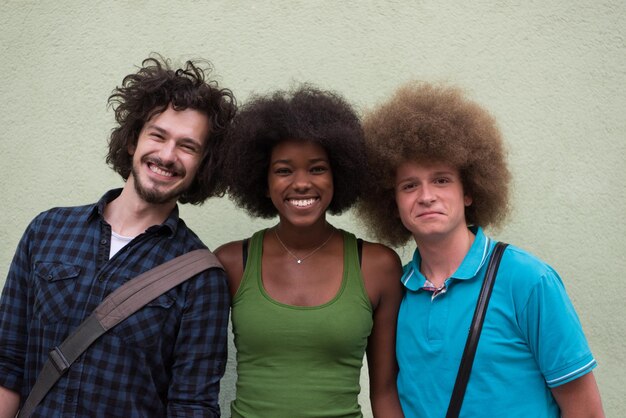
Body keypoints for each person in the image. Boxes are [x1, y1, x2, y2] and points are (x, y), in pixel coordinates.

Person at [0, 56, 236, 417]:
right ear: (132, 141)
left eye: (187, 146)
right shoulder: (46, 231)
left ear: (203, 165)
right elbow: (7, 364)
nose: (167, 155)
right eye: (158, 135)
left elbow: (192, 406)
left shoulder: (202, 278)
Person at [356, 82, 604, 417]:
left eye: (441, 180)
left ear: (469, 191)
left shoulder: (528, 281)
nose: (426, 196)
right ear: (393, 202)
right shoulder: (396, 292)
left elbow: (584, 409)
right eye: (409, 185)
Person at [215, 85, 404, 418]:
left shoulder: (378, 267)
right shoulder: (232, 263)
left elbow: (385, 391)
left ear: (339, 175)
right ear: (263, 181)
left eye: (317, 168)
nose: (301, 183)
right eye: (284, 170)